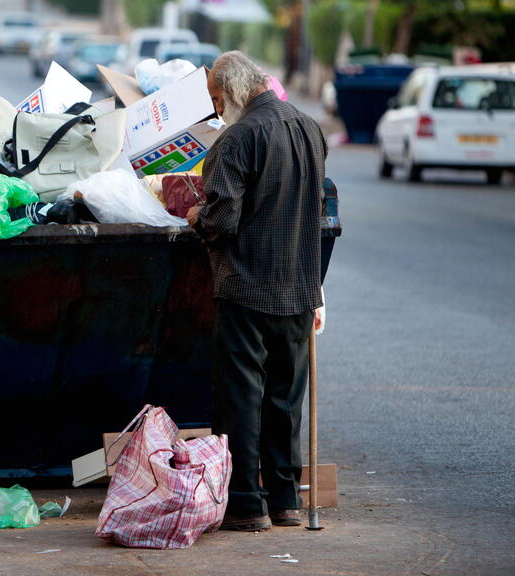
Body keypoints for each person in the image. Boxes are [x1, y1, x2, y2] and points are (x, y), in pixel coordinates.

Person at [186, 51, 327, 531]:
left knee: (241, 395)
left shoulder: (237, 138)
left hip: (247, 286)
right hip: (299, 287)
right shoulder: (310, 128)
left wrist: (195, 217)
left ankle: (246, 504)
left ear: (232, 90)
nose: (218, 108)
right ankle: (285, 500)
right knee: (285, 398)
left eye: (216, 98)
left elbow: (222, 220)